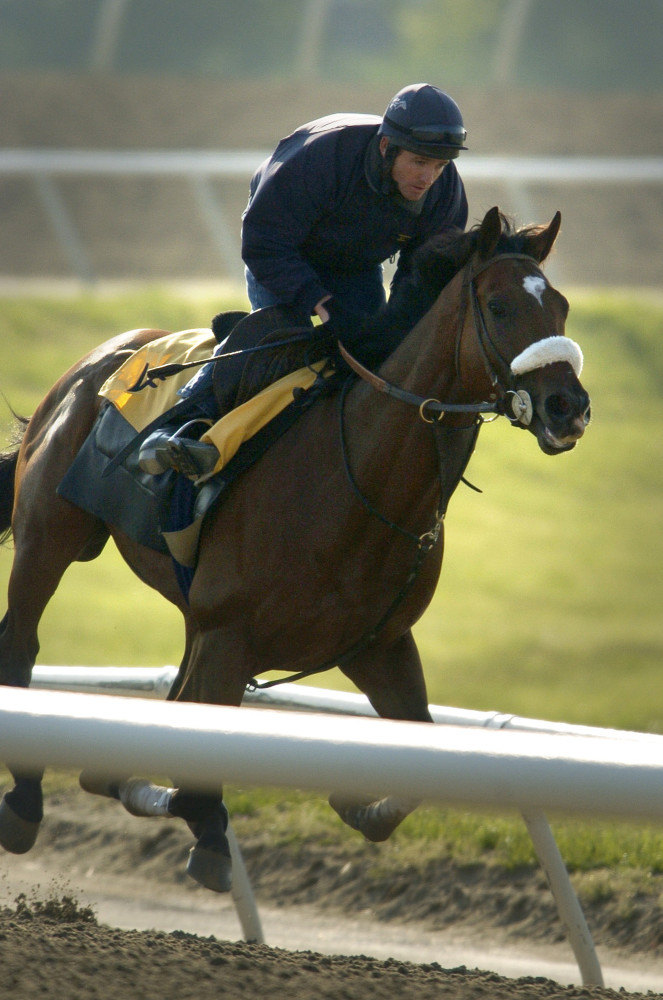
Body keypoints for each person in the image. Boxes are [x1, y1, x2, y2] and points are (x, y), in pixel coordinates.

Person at [139, 82, 469, 479]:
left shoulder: (444, 193)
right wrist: (319, 303)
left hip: (355, 266)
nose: (429, 177)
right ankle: (179, 423)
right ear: (386, 147)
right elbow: (265, 242)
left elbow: (420, 278)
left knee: (377, 351)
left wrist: (393, 326)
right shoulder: (322, 157)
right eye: (419, 162)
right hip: (283, 250)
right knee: (282, 338)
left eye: (440, 165)